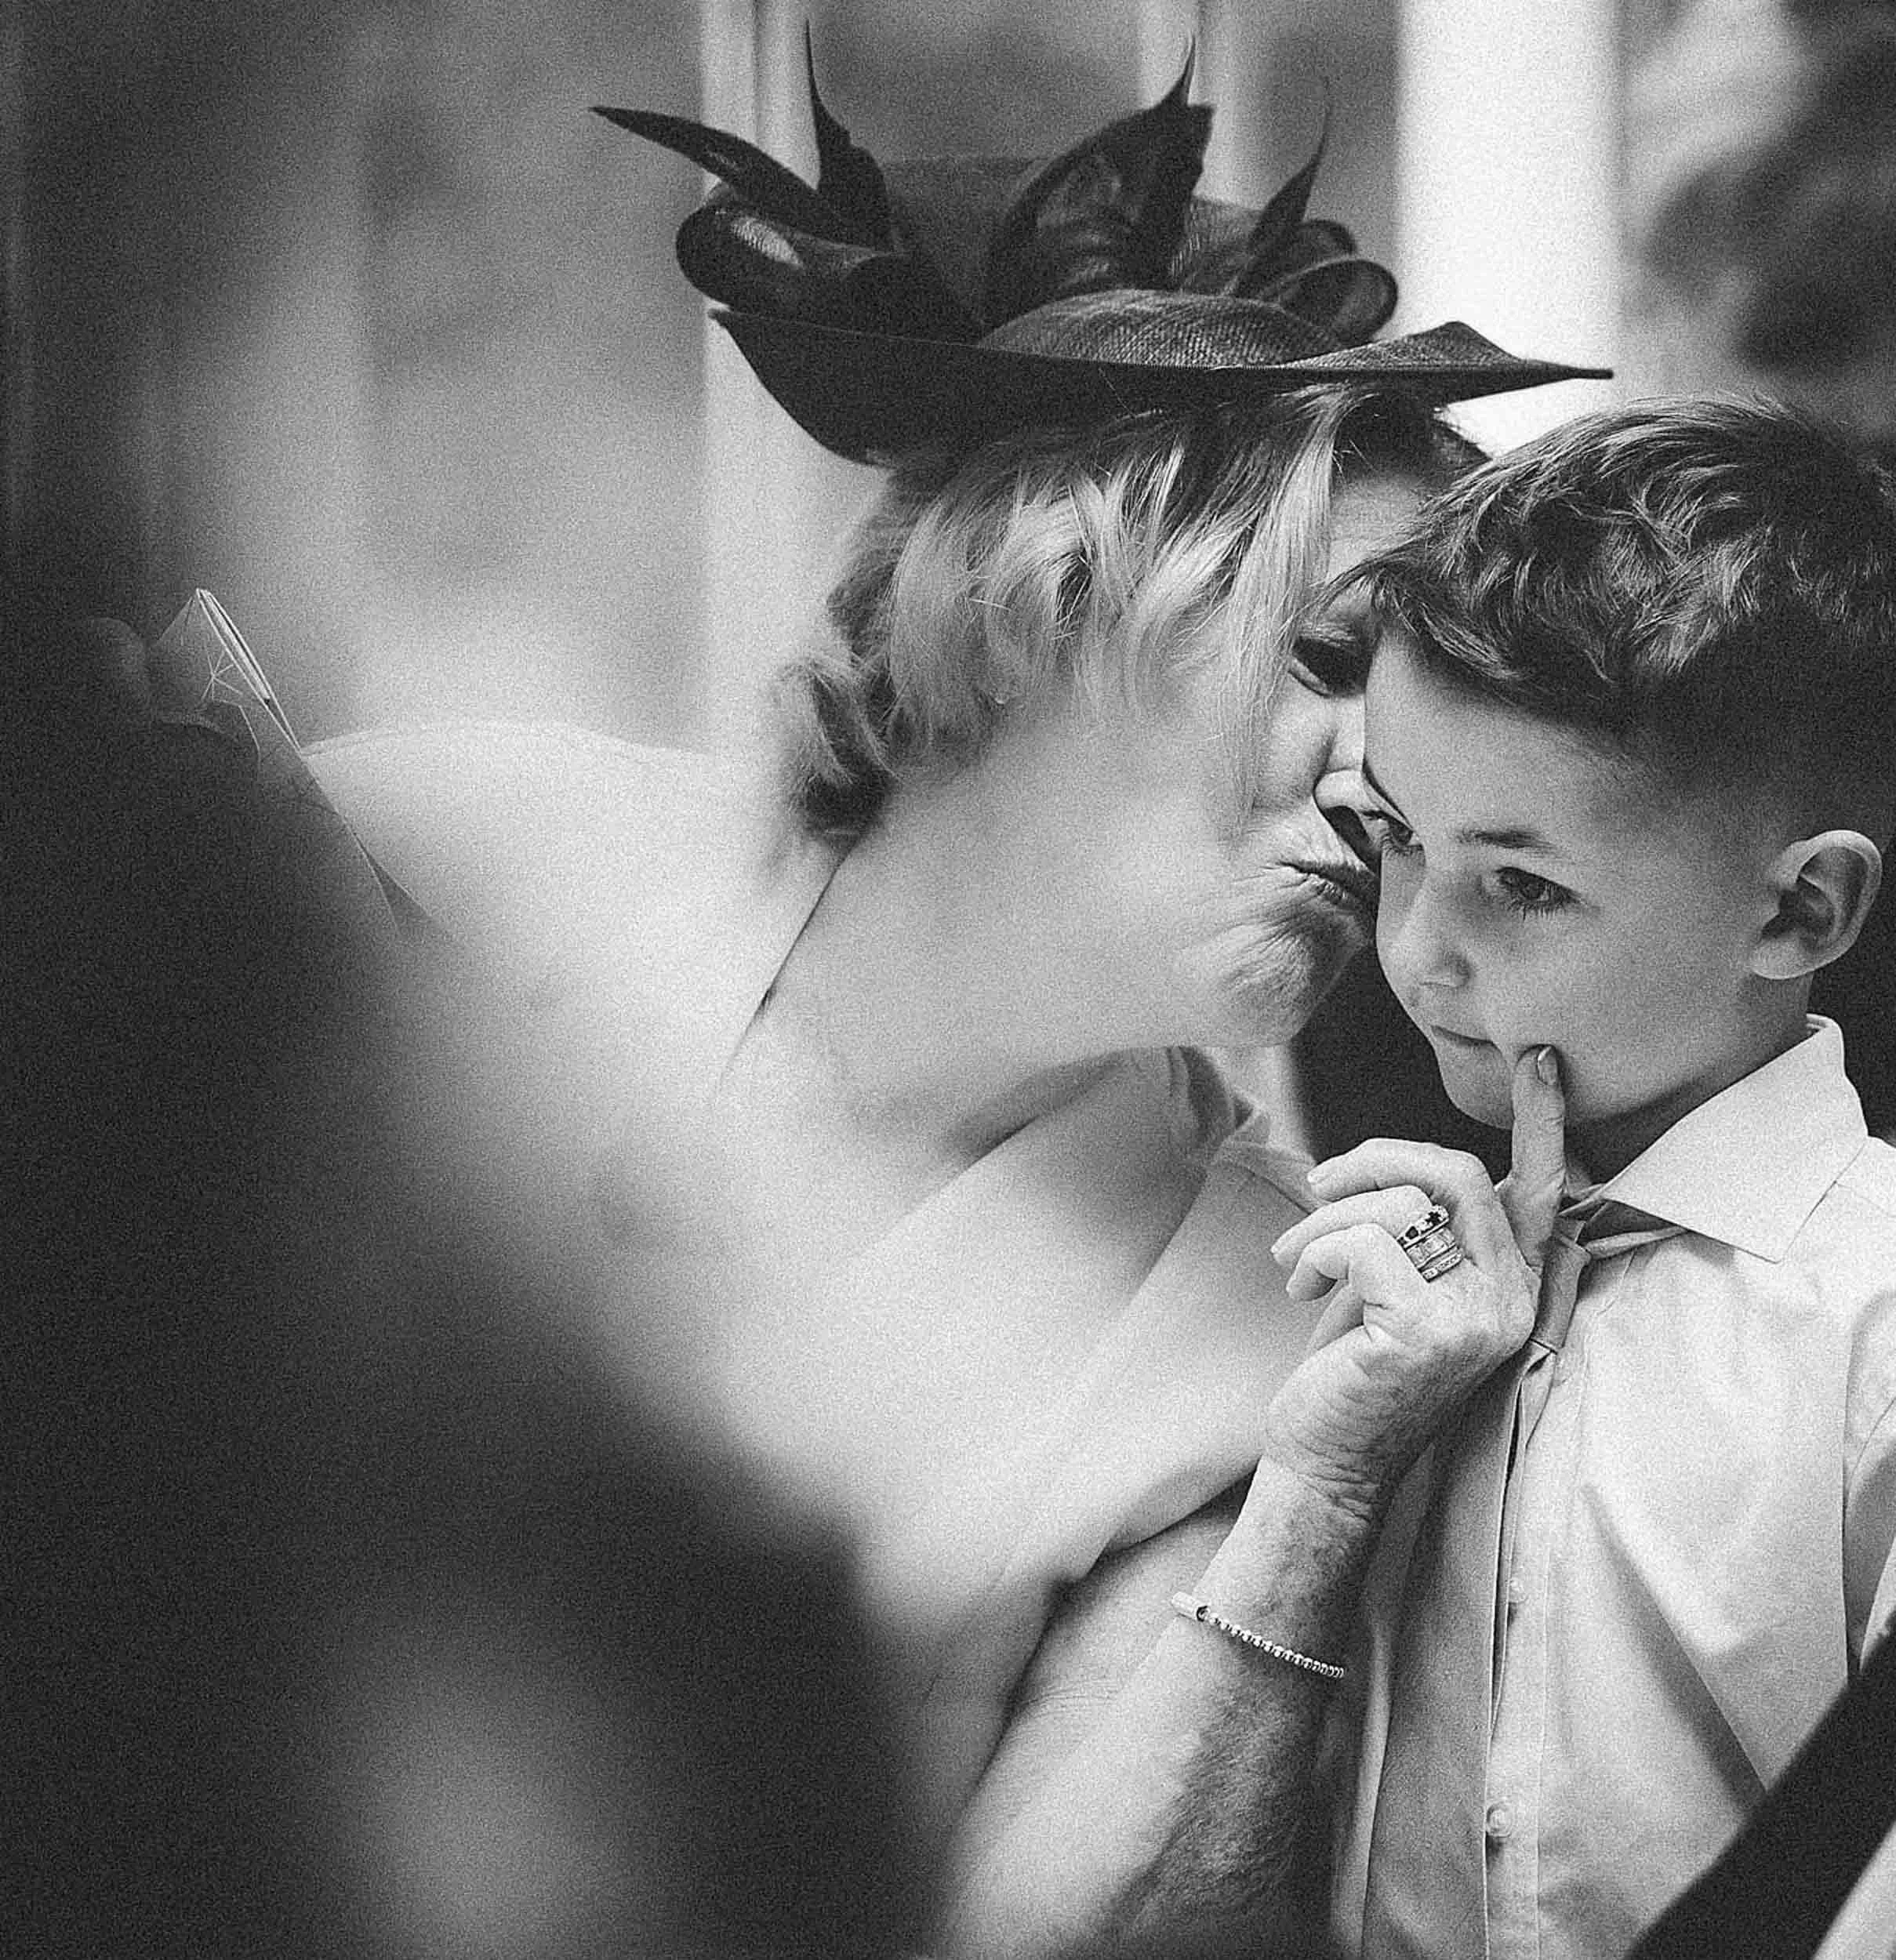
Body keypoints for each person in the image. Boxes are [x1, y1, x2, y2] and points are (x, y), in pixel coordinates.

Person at [300, 59, 1605, 1955]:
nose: (1389, 786)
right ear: (1047, 581)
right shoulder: (439, 849)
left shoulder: (1269, 1337)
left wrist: (1325, 1496)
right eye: (1333, 653)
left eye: (1445, 741)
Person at [1270, 396, 1896, 1957]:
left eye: (1522, 884)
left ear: (1802, 910)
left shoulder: (1874, 1322)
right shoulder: (1376, 1270)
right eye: (1396, 839)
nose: (1415, 948)